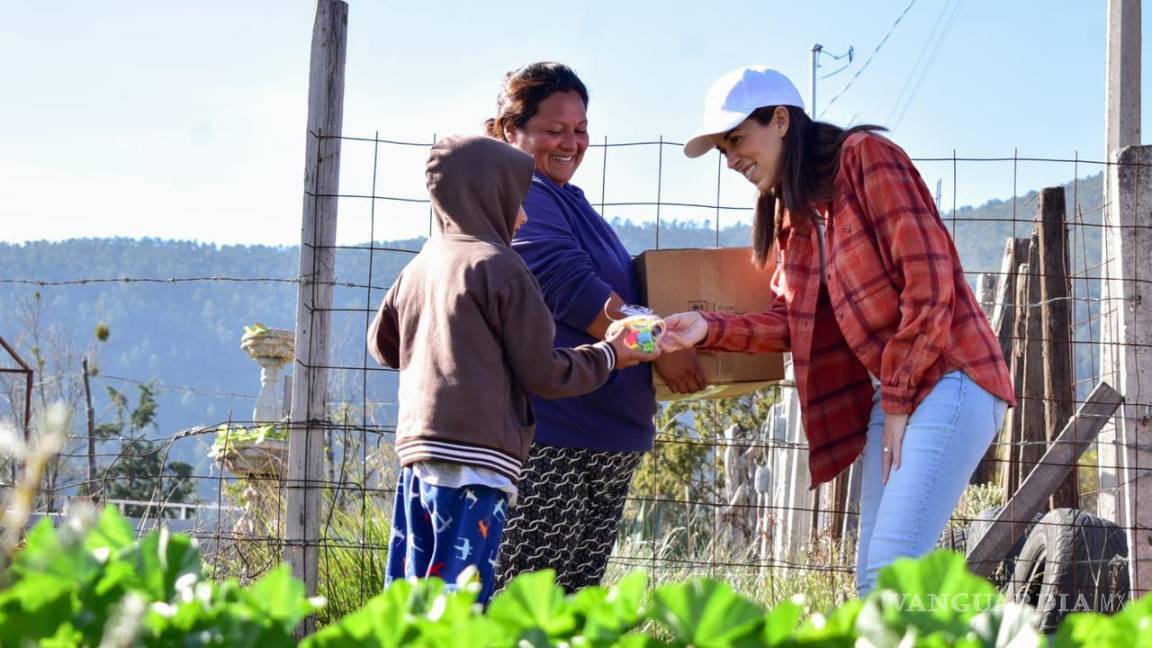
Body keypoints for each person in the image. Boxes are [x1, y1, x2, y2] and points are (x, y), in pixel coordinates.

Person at [661, 65, 1016, 596]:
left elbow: (930, 281)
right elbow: (791, 321)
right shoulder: (795, 214)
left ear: (780, 120)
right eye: (722, 150)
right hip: (896, 393)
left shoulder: (866, 158)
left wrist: (895, 400)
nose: (731, 160)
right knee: (874, 580)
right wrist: (706, 328)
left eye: (737, 140)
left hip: (951, 378)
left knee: (891, 573)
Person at [366, 135, 659, 604]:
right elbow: (544, 373)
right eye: (517, 202)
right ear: (489, 197)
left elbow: (382, 346)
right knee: (466, 597)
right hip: (478, 468)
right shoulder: (503, 267)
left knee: (416, 596)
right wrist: (611, 352)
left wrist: (442, 351)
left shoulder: (422, 263)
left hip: (417, 460)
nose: (523, 217)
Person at [485, 61, 708, 593]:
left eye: (580, 129)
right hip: (560, 437)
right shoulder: (526, 196)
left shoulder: (567, 199)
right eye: (553, 130)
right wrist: (663, 345)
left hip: (601, 436)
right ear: (510, 130)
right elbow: (572, 288)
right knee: (531, 605)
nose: (571, 143)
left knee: (572, 608)